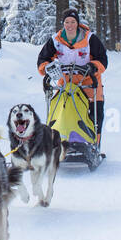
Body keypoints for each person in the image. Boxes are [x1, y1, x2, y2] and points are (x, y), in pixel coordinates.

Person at [37, 8, 108, 141]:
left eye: (73, 22)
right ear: (63, 24)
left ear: (77, 23)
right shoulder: (56, 40)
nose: (70, 25)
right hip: (66, 83)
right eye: (67, 22)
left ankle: (94, 145)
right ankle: (61, 141)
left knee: (95, 114)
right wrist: (47, 68)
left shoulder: (89, 39)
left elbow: (103, 60)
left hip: (89, 82)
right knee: (62, 112)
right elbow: (43, 59)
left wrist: (93, 66)